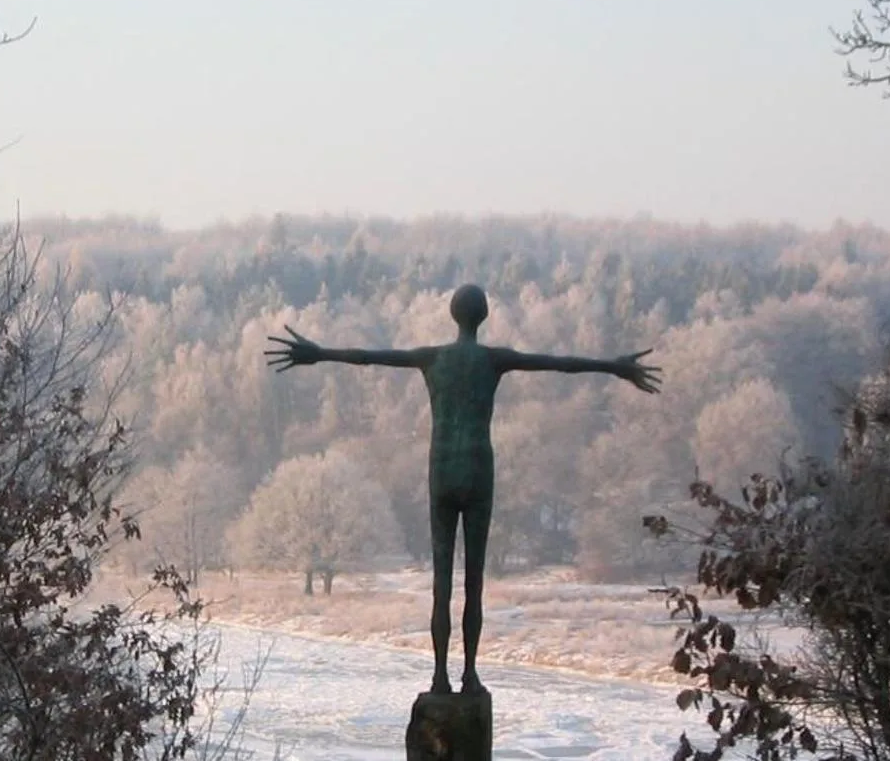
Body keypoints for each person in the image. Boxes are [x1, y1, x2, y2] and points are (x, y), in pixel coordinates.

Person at [266, 284, 661, 694]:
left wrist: (319, 353)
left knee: (442, 585)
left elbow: (368, 356)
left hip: (441, 471)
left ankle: (439, 676)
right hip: (477, 471)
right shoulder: (493, 359)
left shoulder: (432, 357)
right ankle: (469, 674)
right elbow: (559, 364)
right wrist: (614, 367)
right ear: (484, 315)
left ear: (453, 315)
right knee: (474, 583)